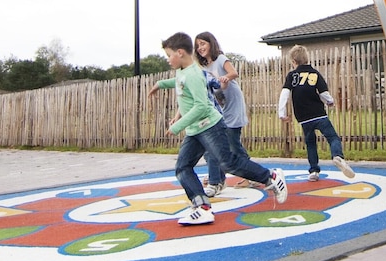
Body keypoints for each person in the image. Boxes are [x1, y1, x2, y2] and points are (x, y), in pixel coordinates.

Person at [149, 32, 287, 225]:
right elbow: (179, 83)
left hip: (210, 126)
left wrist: (178, 126)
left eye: (169, 55)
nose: (167, 59)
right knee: (182, 167)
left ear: (180, 53)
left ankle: (271, 176)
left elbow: (201, 107)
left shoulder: (194, 74)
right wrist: (160, 84)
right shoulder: (182, 72)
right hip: (195, 131)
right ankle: (202, 207)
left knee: (228, 163)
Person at [277, 44, 355, 181]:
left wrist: (281, 113)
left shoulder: (292, 76)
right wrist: (330, 101)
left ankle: (314, 171)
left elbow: (285, 94)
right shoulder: (315, 74)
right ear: (307, 59)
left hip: (303, 118)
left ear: (294, 61)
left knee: (310, 142)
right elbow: (324, 93)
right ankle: (337, 156)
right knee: (332, 137)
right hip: (319, 114)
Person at [195, 31, 250, 197]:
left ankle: (248, 174)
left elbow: (233, 73)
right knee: (216, 142)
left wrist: (225, 78)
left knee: (232, 142)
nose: (200, 48)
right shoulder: (205, 68)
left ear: (211, 43)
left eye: (203, 44)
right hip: (220, 107)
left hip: (233, 105)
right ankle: (218, 176)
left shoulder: (220, 59)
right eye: (197, 46)